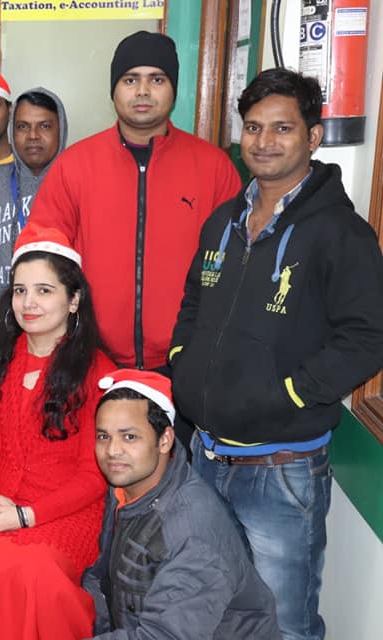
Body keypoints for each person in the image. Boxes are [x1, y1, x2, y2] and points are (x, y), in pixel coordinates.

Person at [169, 68, 383, 640]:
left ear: (312, 137)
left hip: (281, 474)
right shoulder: (223, 222)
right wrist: (183, 358)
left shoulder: (341, 233)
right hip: (205, 459)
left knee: (283, 626)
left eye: (282, 128)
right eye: (253, 127)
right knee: (213, 614)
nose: (264, 141)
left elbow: (368, 337)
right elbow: (194, 301)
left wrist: (289, 393)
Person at [27, 31, 241, 376]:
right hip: (91, 358)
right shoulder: (74, 166)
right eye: (130, 79)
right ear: (114, 90)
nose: (142, 91)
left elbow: (236, 266)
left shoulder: (213, 167)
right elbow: (42, 255)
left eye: (156, 79)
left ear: (173, 89)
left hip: (187, 359)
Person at [0, 224, 114, 640]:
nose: (29, 303)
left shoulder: (98, 372)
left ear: (73, 300)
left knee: (37, 571)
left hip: (65, 514)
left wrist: (26, 516)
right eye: (20, 291)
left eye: (44, 290)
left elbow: (95, 476)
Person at [85, 370, 280, 639]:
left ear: (164, 440)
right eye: (103, 436)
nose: (112, 451)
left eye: (129, 437)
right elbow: (107, 583)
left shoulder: (192, 533)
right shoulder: (126, 486)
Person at [0, 88, 68, 307]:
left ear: (61, 130)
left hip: (58, 312)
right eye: (23, 127)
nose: (33, 136)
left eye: (44, 126)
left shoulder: (77, 184)